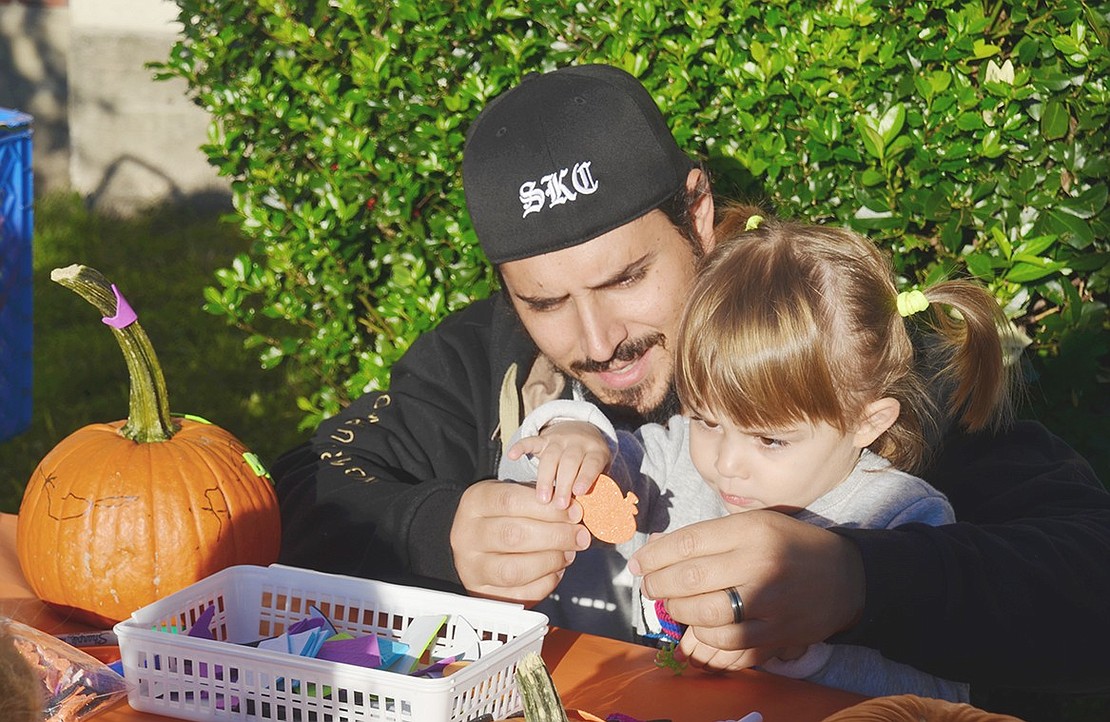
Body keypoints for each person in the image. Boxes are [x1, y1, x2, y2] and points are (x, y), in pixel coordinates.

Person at [271, 63, 1110, 697]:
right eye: (545, 300)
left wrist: (860, 580)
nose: (597, 342)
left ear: (698, 213)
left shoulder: (831, 351)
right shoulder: (476, 358)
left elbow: (1084, 567)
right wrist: (436, 528)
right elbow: (295, 494)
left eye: (625, 278)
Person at [500, 207, 1020, 701]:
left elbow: (940, 695)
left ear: (868, 421)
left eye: (770, 439)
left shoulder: (901, 519)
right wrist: (571, 432)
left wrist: (800, 654)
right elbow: (582, 468)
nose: (726, 462)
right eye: (706, 418)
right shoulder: (675, 458)